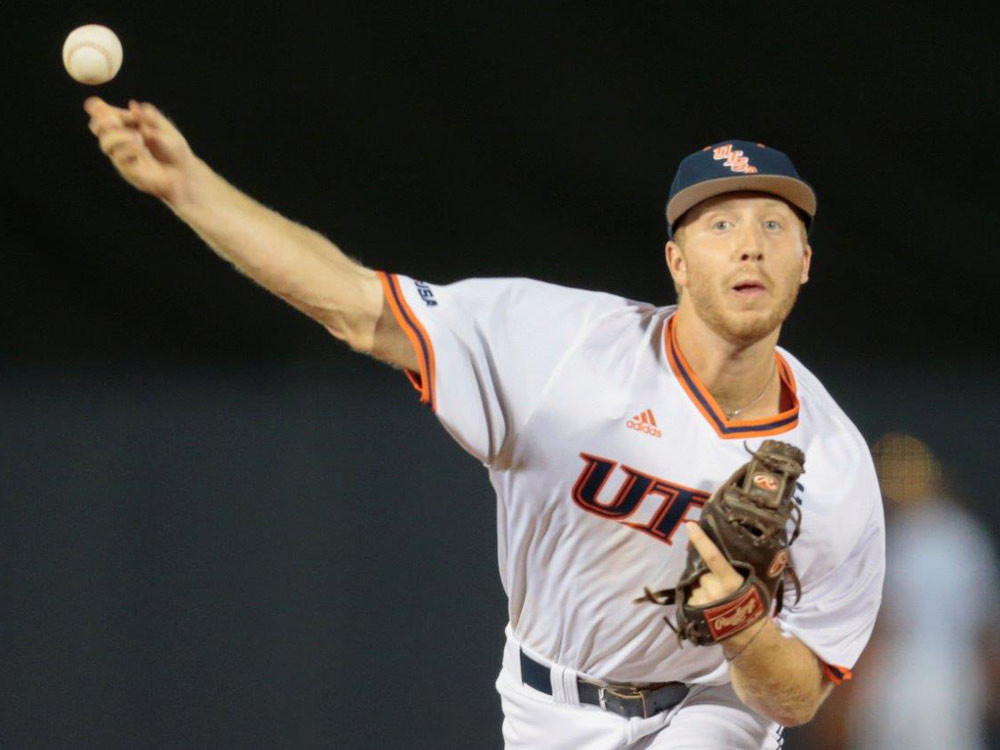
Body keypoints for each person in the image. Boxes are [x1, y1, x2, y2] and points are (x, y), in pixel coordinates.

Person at [84, 97, 885, 749]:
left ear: (805, 262)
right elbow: (357, 306)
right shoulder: (559, 345)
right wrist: (192, 190)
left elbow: (798, 695)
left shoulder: (837, 467)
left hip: (713, 710)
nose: (751, 245)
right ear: (676, 263)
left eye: (775, 226)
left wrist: (746, 631)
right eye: (720, 225)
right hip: (547, 705)